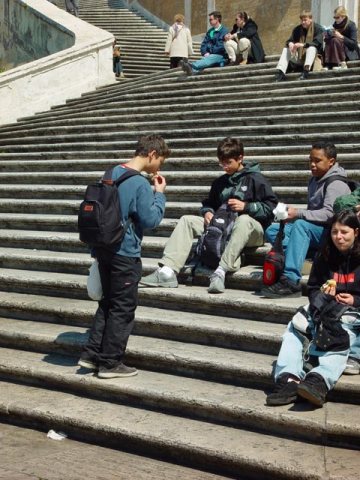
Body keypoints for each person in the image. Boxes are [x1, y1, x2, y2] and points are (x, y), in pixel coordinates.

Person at [78, 135, 170, 378]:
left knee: (107, 303)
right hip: (125, 252)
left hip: (103, 248)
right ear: (151, 154)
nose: (159, 166)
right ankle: (110, 363)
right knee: (123, 308)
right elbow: (150, 220)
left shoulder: (110, 172)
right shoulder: (139, 183)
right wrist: (159, 194)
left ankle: (91, 355)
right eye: (159, 160)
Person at [140, 137, 277, 294]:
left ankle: (220, 271)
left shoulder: (256, 179)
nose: (224, 167)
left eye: (228, 162)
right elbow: (209, 204)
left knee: (244, 220)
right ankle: (167, 272)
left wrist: (247, 207)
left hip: (253, 231)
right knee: (187, 220)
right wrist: (207, 212)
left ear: (240, 158)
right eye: (221, 163)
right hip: (224, 226)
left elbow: (272, 208)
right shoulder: (219, 182)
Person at [266, 209, 360, 407]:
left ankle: (319, 380)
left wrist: (354, 299)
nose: (339, 237)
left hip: (352, 313)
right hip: (325, 306)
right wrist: (322, 296)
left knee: (342, 329)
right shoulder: (324, 255)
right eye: (335, 232)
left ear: (356, 232)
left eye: (344, 232)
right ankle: (288, 378)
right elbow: (313, 288)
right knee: (296, 324)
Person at [261, 142, 351, 299]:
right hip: (316, 232)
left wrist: (299, 214)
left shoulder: (336, 183)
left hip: (333, 234)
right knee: (273, 230)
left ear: (331, 161)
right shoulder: (314, 180)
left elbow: (329, 215)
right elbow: (312, 212)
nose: (312, 164)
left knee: (301, 226)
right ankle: (304, 254)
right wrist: (291, 215)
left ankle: (290, 280)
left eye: (317, 160)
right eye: (310, 160)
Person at [274, 10, 323, 81]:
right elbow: (290, 40)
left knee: (311, 48)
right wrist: (290, 43)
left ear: (311, 19)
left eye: (305, 20)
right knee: (286, 49)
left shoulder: (318, 29)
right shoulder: (297, 29)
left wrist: (303, 45)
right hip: (299, 57)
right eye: (302, 20)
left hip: (313, 58)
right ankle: (281, 72)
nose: (303, 22)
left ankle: (305, 72)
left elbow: (317, 42)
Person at [180, 11, 228, 76]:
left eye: (211, 19)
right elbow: (204, 44)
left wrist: (210, 51)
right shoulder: (210, 31)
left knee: (210, 58)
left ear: (217, 19)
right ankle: (192, 70)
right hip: (210, 56)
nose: (209, 21)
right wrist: (205, 52)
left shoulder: (224, 31)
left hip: (220, 56)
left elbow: (221, 46)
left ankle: (191, 66)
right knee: (208, 59)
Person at [323, 6, 360, 70]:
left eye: (337, 17)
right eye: (334, 17)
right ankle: (328, 64)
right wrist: (327, 36)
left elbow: (354, 44)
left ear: (343, 16)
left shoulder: (351, 25)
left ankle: (339, 63)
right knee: (331, 40)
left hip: (349, 51)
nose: (335, 19)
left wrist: (341, 36)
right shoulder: (334, 25)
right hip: (337, 48)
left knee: (335, 40)